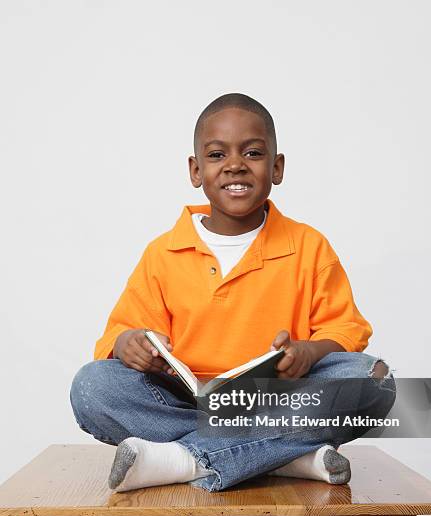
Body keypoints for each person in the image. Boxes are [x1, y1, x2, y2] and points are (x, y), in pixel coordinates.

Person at [70, 92, 396, 493]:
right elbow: (120, 335)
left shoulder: (310, 246)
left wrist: (308, 352)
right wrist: (129, 344)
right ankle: (285, 455)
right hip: (186, 404)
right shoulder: (163, 252)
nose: (235, 165)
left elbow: (347, 332)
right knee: (92, 386)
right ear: (195, 170)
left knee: (374, 378)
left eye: (253, 153)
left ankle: (184, 459)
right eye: (217, 155)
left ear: (276, 168)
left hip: (278, 401)